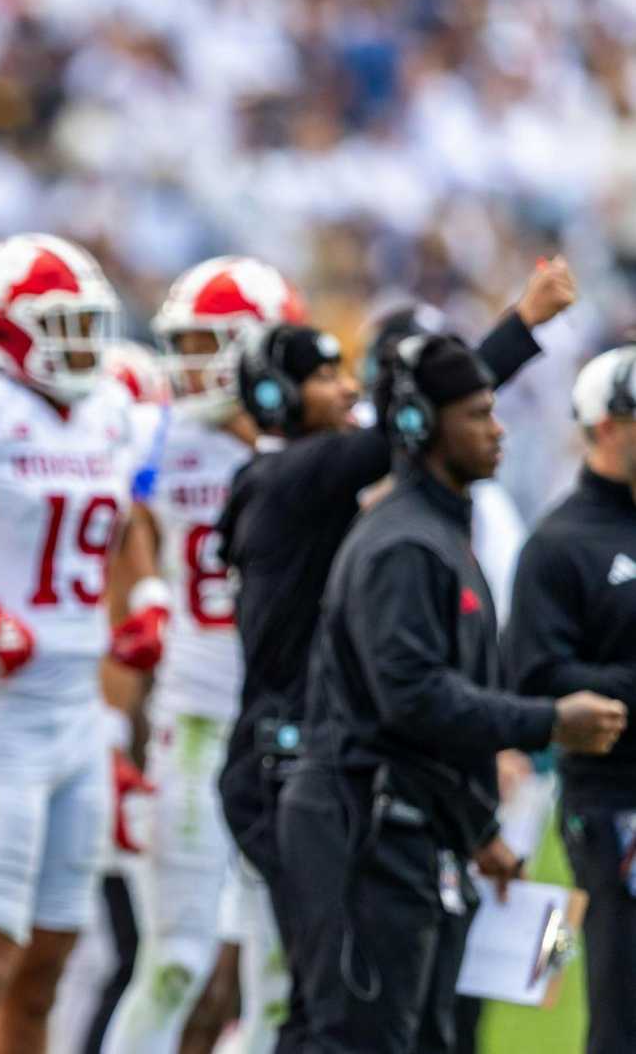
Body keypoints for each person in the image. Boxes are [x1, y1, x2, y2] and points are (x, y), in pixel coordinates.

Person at [215, 258, 577, 1049]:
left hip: (322, 763)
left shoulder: (320, 493)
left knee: (326, 1004)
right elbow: (411, 421)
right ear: (275, 400)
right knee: (326, 1009)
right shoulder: (289, 481)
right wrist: (522, 324)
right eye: (323, 377)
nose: (347, 389)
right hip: (299, 772)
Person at [277, 331, 627, 1053]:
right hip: (363, 829)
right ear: (417, 424)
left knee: (427, 1036)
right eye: (477, 414)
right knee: (358, 1039)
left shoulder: (440, 533)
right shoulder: (404, 545)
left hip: (407, 827)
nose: (498, 430)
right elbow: (414, 700)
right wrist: (548, 721)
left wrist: (477, 832)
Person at [0, 232, 148, 1054]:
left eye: (86, 324)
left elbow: (125, 519)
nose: (79, 344)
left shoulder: (110, 410)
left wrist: (142, 596)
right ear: (7, 328)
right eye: (59, 324)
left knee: (48, 964)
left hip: (75, 709)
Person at [104, 256, 304, 1054]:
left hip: (287, 726)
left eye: (207, 345)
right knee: (176, 962)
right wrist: (149, 591)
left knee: (280, 969)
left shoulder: (319, 444)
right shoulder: (162, 436)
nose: (190, 365)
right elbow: (124, 520)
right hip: (191, 717)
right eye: (182, 345)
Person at [503, 345, 636, 1054]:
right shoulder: (559, 543)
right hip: (612, 806)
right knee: (622, 1010)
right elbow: (535, 678)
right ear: (606, 426)